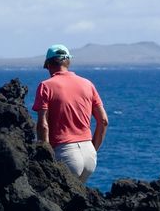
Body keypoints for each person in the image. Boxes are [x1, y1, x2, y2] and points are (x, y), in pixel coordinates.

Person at [32, 44, 108, 183]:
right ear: (68, 62)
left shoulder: (46, 86)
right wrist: (93, 149)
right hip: (89, 155)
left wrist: (45, 157)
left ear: (48, 64)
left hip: (65, 154)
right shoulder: (87, 84)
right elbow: (103, 121)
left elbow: (43, 125)